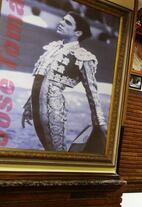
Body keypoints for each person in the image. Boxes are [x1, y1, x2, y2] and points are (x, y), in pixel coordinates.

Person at [22, 12, 107, 153]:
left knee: (56, 151)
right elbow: (41, 79)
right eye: (62, 19)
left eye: (67, 23)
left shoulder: (83, 56)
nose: (61, 22)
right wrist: (29, 106)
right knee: (48, 148)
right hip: (37, 108)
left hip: (53, 107)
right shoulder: (53, 47)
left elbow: (92, 91)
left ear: (78, 32)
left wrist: (99, 123)